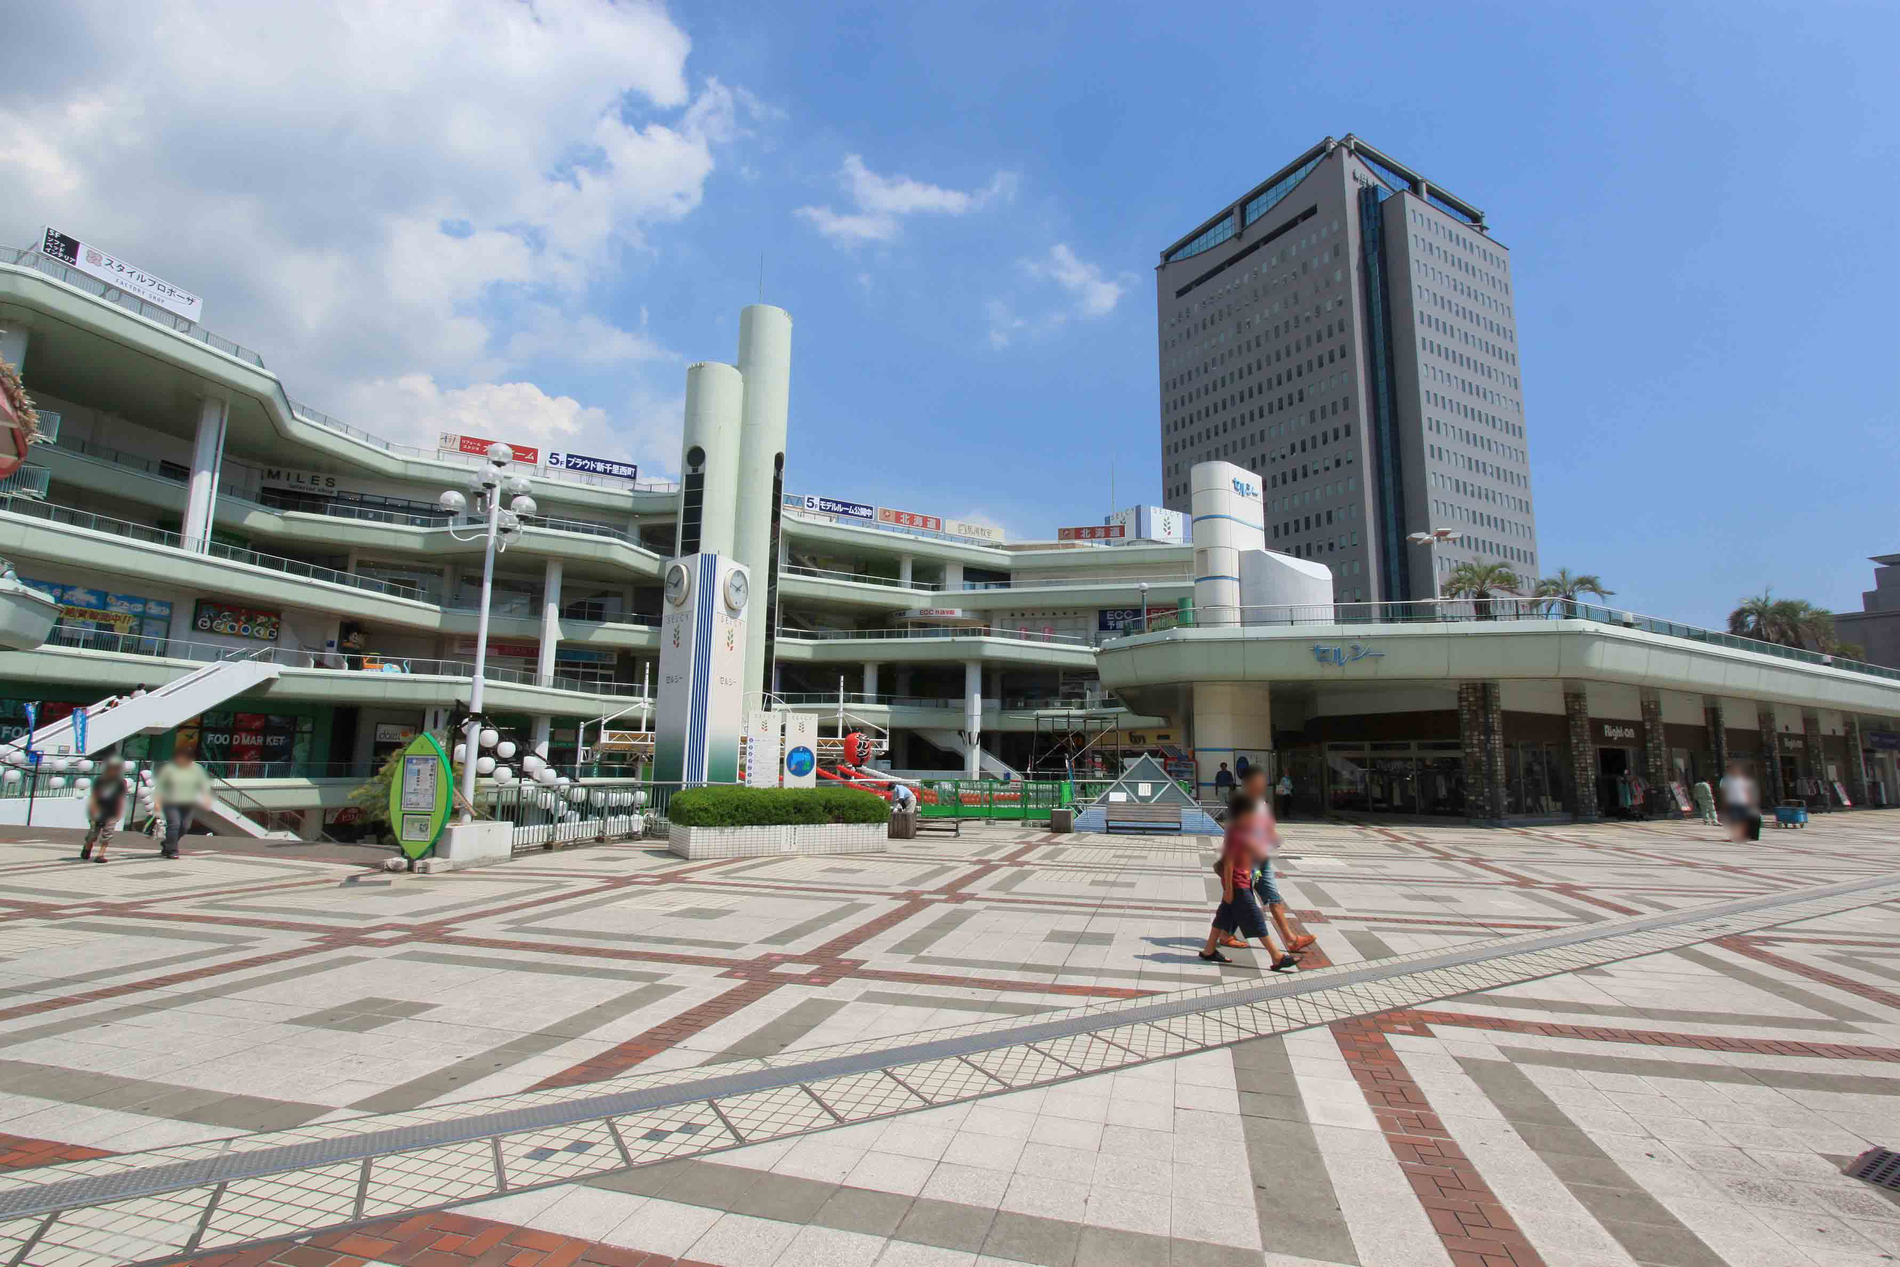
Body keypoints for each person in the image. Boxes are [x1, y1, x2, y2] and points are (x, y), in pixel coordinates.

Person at [1219, 767, 1317, 956]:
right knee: (1240, 897)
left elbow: (1267, 827)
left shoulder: (1262, 803)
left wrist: (1273, 837)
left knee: (1272, 897)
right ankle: (1225, 934)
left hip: (1262, 857)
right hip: (1246, 859)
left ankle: (1291, 939)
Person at [1200, 794, 1298, 971]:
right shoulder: (1236, 832)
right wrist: (1229, 890)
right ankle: (1277, 957)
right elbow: (1229, 862)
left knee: (1223, 917)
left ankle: (1209, 950)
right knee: (1255, 918)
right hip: (1237, 885)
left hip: (1239, 883)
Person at [153, 745, 211, 859]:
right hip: (170, 802)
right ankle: (172, 850)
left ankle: (167, 843)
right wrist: (157, 803)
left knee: (185, 827)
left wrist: (206, 797)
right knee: (174, 825)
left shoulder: (197, 769)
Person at [80, 755, 130, 864]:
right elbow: (94, 795)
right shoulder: (99, 780)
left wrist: (119, 811)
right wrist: (93, 808)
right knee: (93, 833)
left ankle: (101, 854)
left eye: (116, 768)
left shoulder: (121, 782)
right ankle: (87, 846)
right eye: (112, 768)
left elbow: (121, 797)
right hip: (98, 809)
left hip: (112, 811)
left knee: (108, 834)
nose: (114, 771)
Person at [1718, 761, 1760, 843]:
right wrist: (1724, 802)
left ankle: (1742, 836)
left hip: (1743, 802)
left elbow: (1747, 791)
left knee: (1743, 820)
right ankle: (1735, 836)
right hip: (1732, 802)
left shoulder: (1742, 779)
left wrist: (1750, 801)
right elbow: (1723, 792)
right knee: (1734, 820)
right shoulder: (1725, 780)